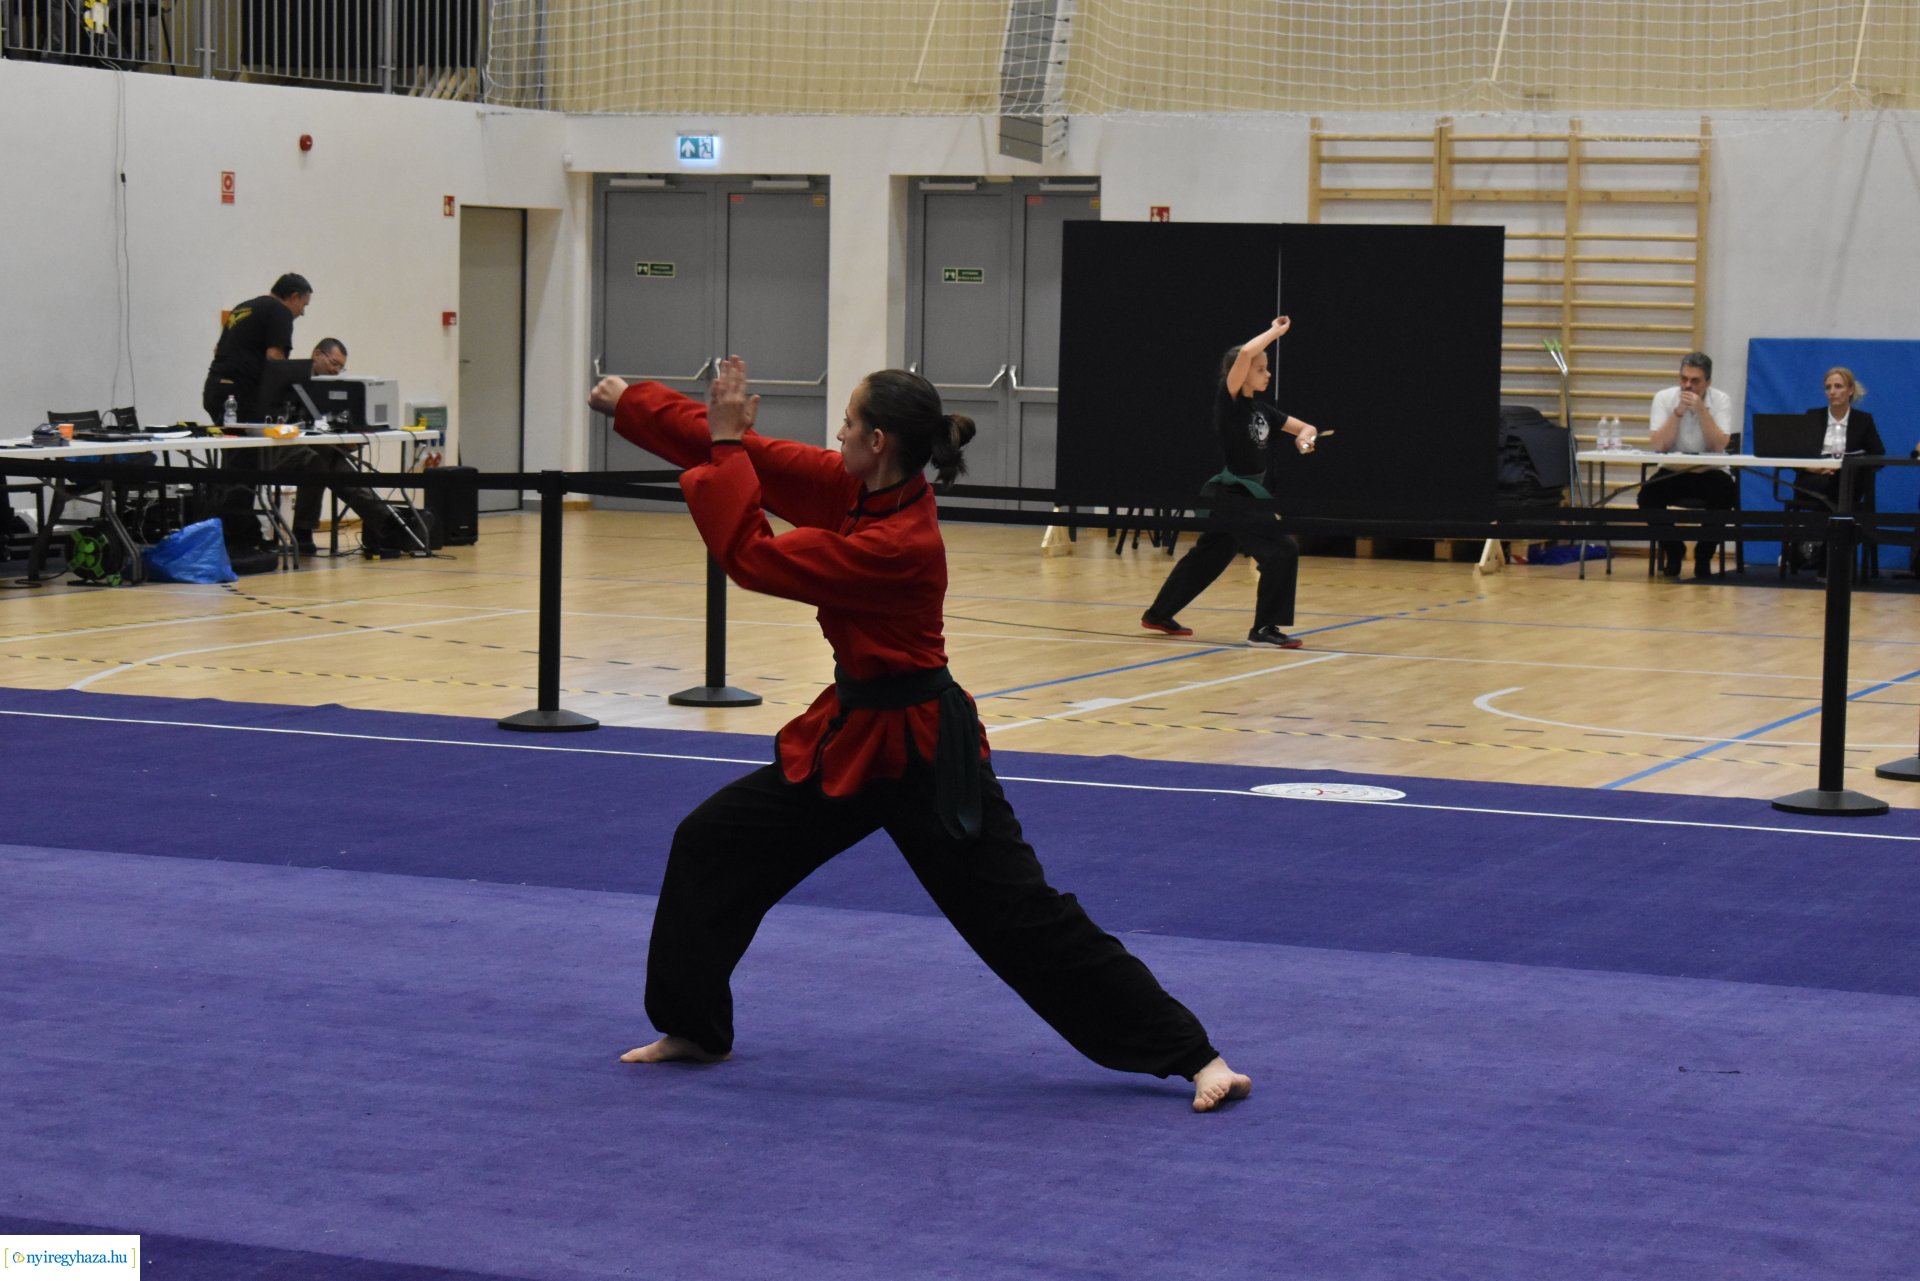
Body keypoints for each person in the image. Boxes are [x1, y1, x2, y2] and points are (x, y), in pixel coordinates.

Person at [588, 358, 1252, 1113]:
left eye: (845, 420)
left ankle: (1196, 1054)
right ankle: (695, 1028)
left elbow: (751, 555)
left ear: (876, 440)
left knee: (1021, 919)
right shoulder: (856, 488)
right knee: (711, 842)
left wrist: (728, 444)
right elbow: (754, 452)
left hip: (926, 755)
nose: (834, 431)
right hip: (850, 738)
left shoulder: (899, 542)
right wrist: (634, 406)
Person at [1140, 316, 1324, 647]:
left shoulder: (1264, 411)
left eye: (1267, 369)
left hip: (1242, 499)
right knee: (1282, 550)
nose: (1267, 374)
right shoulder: (1231, 404)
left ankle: (1158, 613)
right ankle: (1264, 629)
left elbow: (1305, 428)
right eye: (1261, 369)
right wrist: (1275, 331)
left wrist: (1303, 440)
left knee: (1209, 557)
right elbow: (1243, 357)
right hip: (1235, 495)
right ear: (1240, 374)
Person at [1636, 351, 1737, 580]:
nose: (1687, 386)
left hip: (1709, 472)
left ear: (1707, 383)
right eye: (1684, 379)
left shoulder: (1721, 400)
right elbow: (1660, 445)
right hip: (1674, 471)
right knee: (1647, 496)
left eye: (1695, 381)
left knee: (1726, 492)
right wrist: (1678, 413)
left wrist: (1701, 410)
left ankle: (1704, 555)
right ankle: (1674, 549)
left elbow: (1718, 445)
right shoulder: (1664, 398)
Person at [1783, 366, 1883, 574]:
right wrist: (1815, 468)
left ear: (1850, 390)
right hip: (1814, 478)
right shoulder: (1813, 416)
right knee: (1829, 489)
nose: (1832, 391)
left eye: (1838, 386)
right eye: (1828, 387)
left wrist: (1850, 466)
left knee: (1840, 486)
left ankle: (1818, 550)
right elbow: (1795, 456)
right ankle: (1830, 557)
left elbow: (1878, 457)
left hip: (1849, 480)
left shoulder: (1863, 420)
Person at [202, 273, 313, 424]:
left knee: (230, 443)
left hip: (214, 389)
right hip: (240, 392)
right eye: (304, 305)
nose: (303, 313)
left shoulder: (242, 307)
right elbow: (274, 357)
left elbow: (217, 349)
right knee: (252, 445)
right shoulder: (280, 311)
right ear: (294, 297)